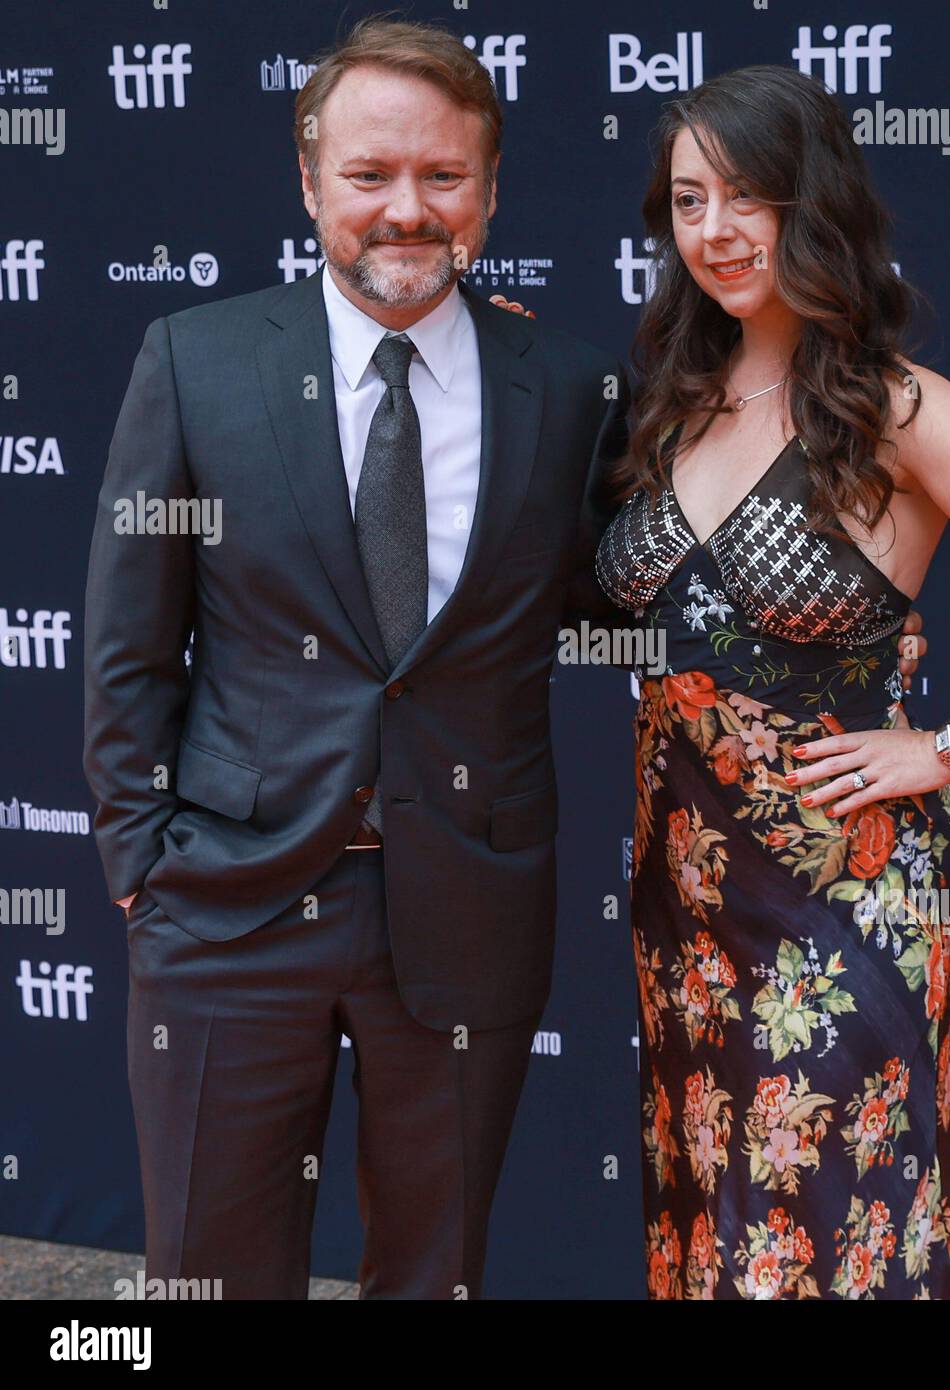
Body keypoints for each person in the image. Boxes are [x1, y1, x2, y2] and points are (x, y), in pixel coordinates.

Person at [82, 16, 650, 1300]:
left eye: (443, 177)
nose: (407, 209)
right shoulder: (199, 361)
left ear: (491, 192)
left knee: (435, 1271)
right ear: (308, 183)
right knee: (208, 1281)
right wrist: (139, 864)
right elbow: (127, 642)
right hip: (226, 905)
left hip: (466, 904)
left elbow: (615, 602)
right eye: (369, 175)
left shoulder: (567, 388)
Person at [592, 66, 950, 1299]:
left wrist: (940, 749)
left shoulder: (895, 407)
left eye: (749, 196)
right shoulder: (668, 406)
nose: (717, 230)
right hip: (681, 894)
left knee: (842, 1225)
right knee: (715, 1217)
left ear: (812, 202)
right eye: (688, 202)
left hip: (845, 892)